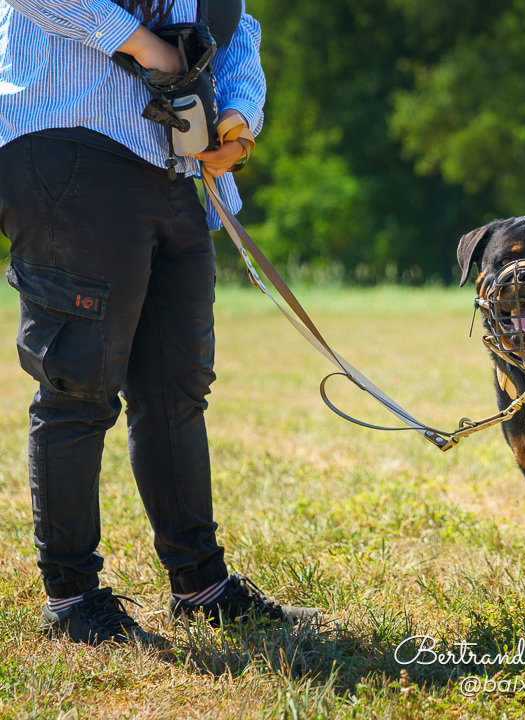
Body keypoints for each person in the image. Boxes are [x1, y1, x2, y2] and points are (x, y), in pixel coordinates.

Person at [0, 0, 317, 646]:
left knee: (177, 390)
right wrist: (143, 44)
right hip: (70, 142)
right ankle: (72, 601)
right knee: (78, 385)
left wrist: (240, 117)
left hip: (174, 167)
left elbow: (236, 27)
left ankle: (201, 586)